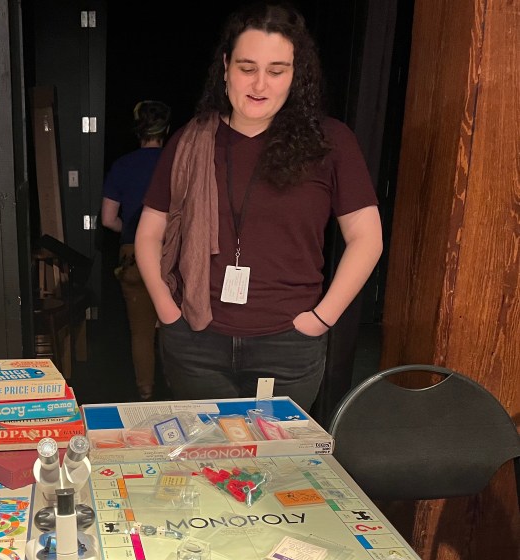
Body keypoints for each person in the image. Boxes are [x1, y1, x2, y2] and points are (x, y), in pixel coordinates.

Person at [135, 2, 382, 410]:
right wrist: (167, 308)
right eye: (248, 68)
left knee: (275, 468)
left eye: (277, 70)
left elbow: (366, 237)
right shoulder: (191, 140)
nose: (260, 85)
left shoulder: (330, 141)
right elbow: (149, 233)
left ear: (295, 74)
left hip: (288, 346)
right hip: (196, 341)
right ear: (227, 67)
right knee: (205, 463)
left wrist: (321, 319)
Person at [101, 100, 172, 400]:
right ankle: (178, 391)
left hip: (132, 256)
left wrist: (132, 232)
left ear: (137, 131)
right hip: (172, 253)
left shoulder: (123, 165)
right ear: (166, 129)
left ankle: (145, 391)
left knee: (140, 332)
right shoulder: (176, 163)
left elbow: (108, 219)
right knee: (174, 328)